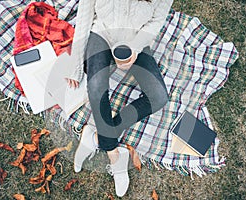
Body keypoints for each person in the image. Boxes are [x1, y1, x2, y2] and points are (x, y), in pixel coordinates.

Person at [66, 0, 173, 197]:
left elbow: (156, 22)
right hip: (102, 34)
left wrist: (134, 48)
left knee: (158, 96)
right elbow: (84, 18)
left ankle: (96, 137)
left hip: (134, 40)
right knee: (96, 86)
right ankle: (114, 154)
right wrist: (75, 65)